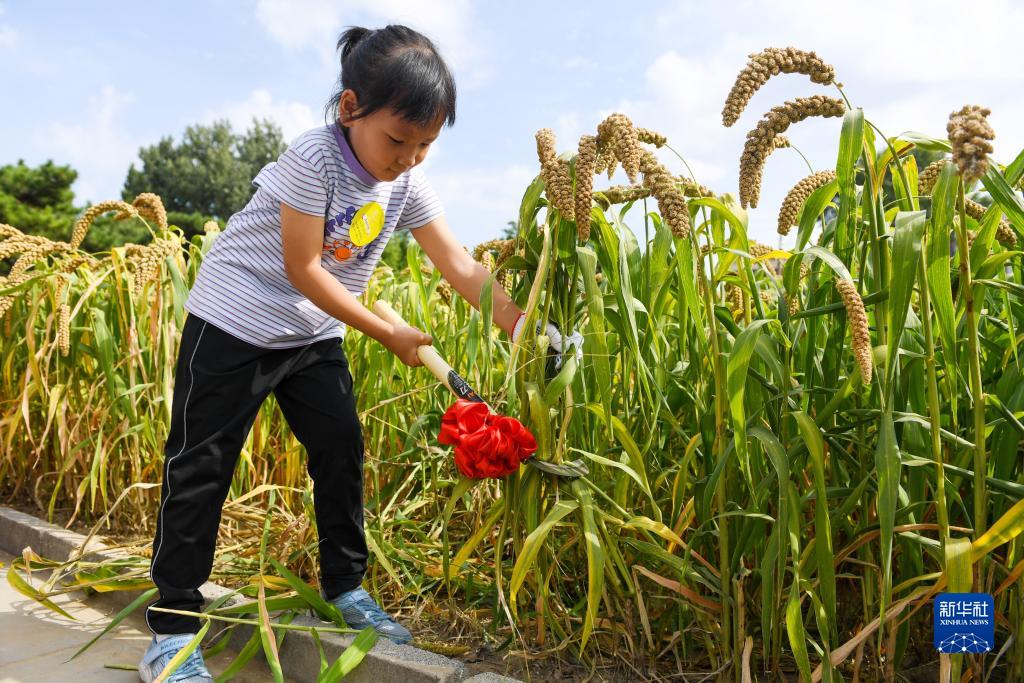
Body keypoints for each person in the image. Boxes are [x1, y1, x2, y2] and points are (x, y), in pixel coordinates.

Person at [138, 24, 582, 682]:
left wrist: (521, 324)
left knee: (341, 447)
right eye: (397, 140)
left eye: (425, 145)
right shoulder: (312, 159)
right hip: (234, 322)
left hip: (311, 335)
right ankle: (173, 630)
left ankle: (345, 588)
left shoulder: (406, 185)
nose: (408, 158)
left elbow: (461, 266)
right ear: (351, 109)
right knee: (201, 465)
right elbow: (304, 269)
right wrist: (386, 334)